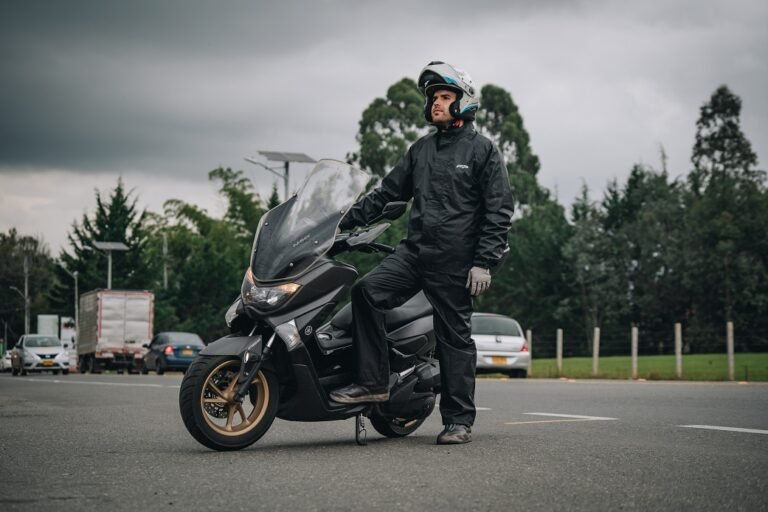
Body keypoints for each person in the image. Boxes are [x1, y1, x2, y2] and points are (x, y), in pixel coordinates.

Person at [330, 61, 514, 445]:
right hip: (415, 253)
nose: (436, 104)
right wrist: (338, 221)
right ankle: (373, 383)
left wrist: (484, 261)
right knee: (366, 292)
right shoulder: (421, 150)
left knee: (454, 338)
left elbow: (499, 210)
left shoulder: (483, 151)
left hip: (457, 261)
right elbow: (385, 195)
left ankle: (458, 421)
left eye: (445, 97)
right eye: (433, 98)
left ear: (464, 102)